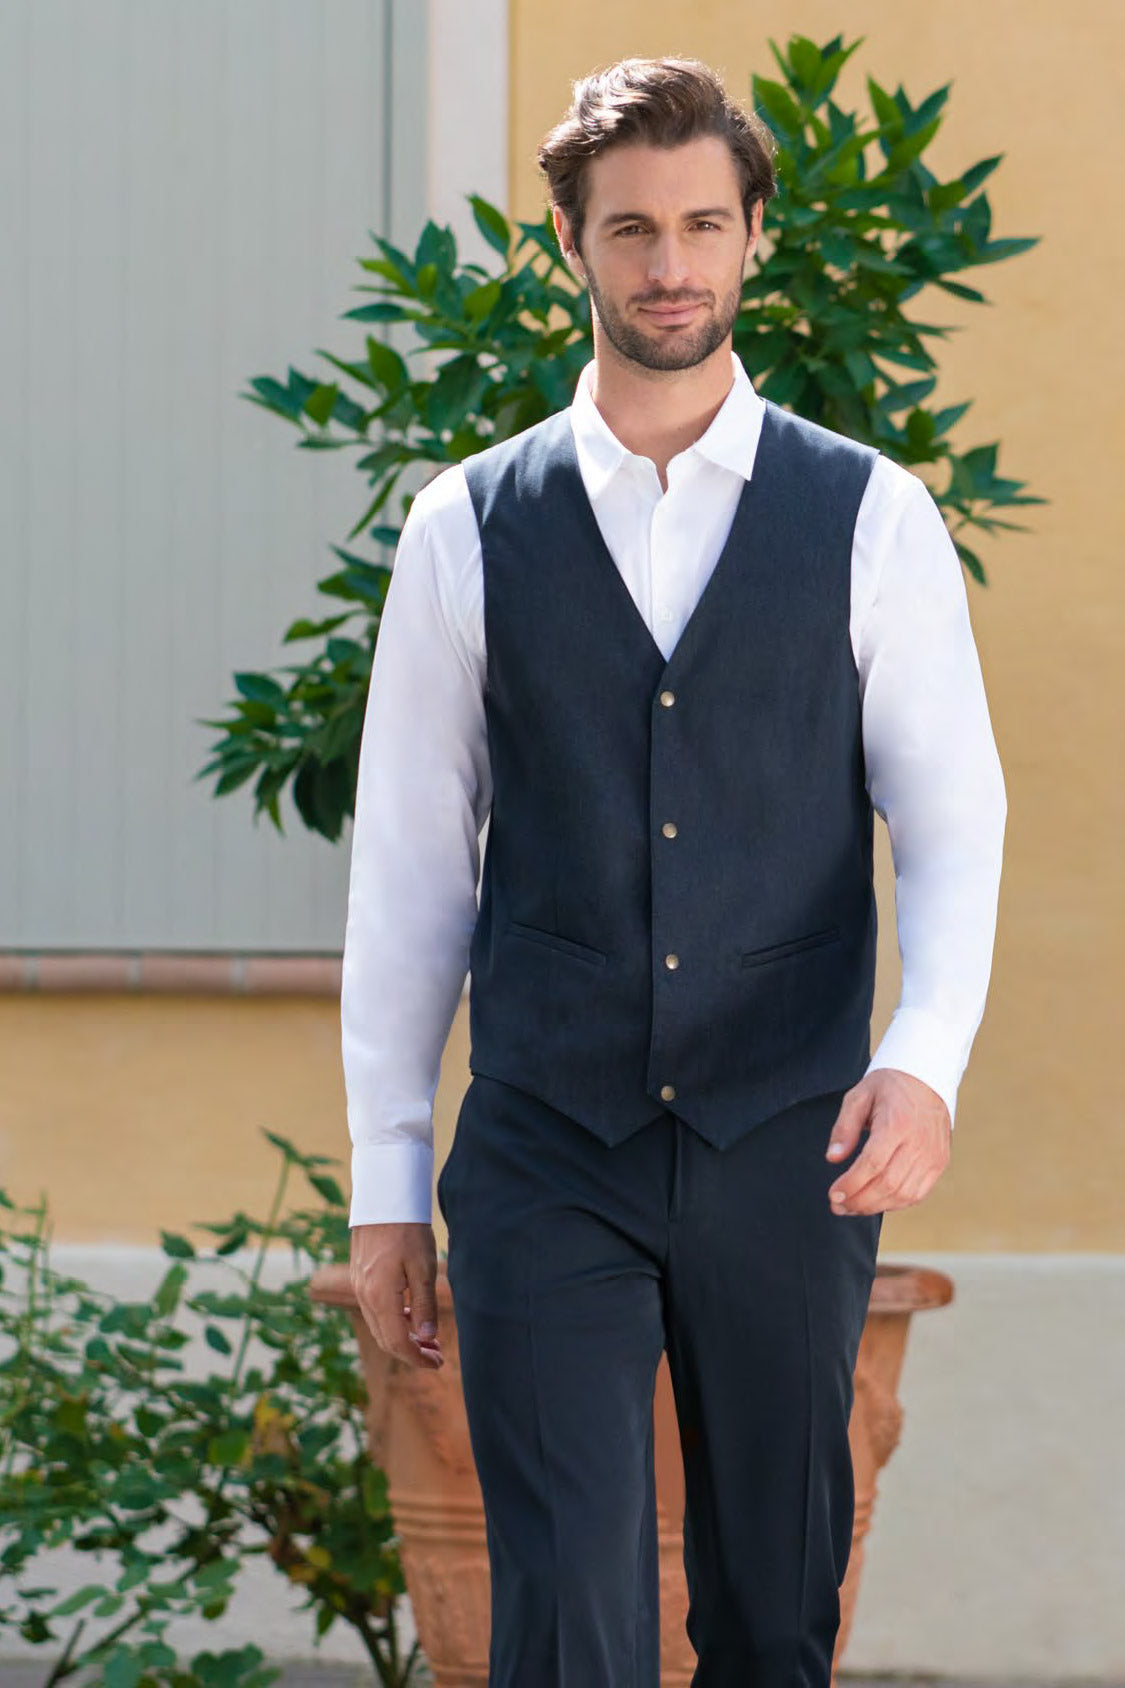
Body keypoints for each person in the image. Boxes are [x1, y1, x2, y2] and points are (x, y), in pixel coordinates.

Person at [341, 56, 1006, 1688]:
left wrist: (923, 1061)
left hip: (788, 1137)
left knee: (775, 1611)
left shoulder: (869, 518)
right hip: (546, 1141)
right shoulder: (465, 527)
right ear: (571, 240)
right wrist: (387, 1176)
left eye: (702, 224)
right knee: (565, 1612)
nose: (669, 264)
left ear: (752, 235)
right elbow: (411, 868)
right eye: (630, 228)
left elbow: (950, 818)